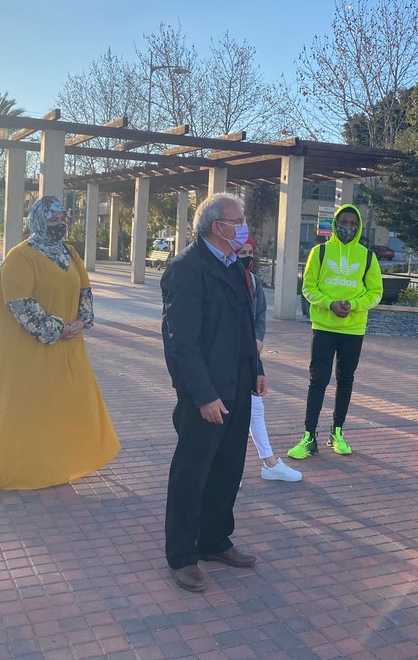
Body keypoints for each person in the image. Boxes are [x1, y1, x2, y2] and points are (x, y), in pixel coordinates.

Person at [0, 196, 119, 490]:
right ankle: (24, 470)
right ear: (37, 220)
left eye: (64, 218)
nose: (61, 224)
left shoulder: (69, 253)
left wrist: (81, 321)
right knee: (30, 408)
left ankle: (57, 465)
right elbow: (20, 304)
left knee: (63, 406)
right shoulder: (20, 257)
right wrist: (58, 327)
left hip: (68, 347)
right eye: (54, 219)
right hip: (31, 351)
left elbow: (84, 290)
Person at [161, 193, 265, 592]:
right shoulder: (186, 269)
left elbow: (245, 327)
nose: (244, 229)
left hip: (238, 384)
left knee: (227, 468)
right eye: (238, 221)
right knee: (192, 472)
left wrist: (256, 370)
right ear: (216, 227)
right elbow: (180, 343)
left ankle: (214, 539)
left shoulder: (236, 265)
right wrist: (202, 395)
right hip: (205, 392)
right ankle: (183, 555)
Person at [288, 204, 383, 460]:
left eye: (353, 224)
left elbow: (375, 292)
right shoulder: (319, 253)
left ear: (359, 226)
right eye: (344, 223)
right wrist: (329, 304)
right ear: (335, 224)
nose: (348, 228)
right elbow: (308, 287)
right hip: (324, 328)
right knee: (317, 380)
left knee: (346, 380)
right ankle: (309, 436)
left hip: (353, 329)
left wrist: (353, 305)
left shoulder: (367, 256)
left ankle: (337, 432)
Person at [236, 237, 301, 483]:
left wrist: (258, 339)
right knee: (235, 413)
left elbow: (259, 315)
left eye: (251, 252)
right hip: (228, 357)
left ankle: (269, 462)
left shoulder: (254, 282)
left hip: (251, 356)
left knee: (256, 408)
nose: (247, 256)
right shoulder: (224, 282)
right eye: (242, 252)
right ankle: (233, 468)